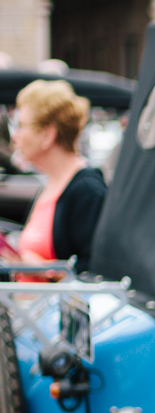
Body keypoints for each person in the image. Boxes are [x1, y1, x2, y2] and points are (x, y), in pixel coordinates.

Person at [10, 79, 107, 273]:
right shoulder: (50, 184)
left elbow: (94, 272)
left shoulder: (87, 190)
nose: (15, 136)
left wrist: (45, 271)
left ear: (47, 135)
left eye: (21, 126)